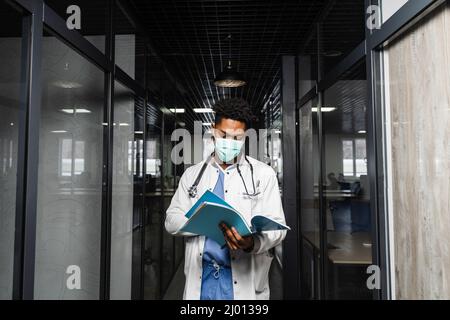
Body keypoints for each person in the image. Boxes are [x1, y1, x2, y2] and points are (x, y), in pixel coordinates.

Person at [165, 98, 287, 300]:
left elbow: (277, 229)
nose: (230, 143)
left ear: (245, 136)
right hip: (202, 280)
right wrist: (201, 221)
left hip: (245, 281)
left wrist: (251, 243)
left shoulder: (263, 174)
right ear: (213, 130)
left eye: (237, 138)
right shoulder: (192, 175)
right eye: (224, 135)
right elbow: (171, 221)